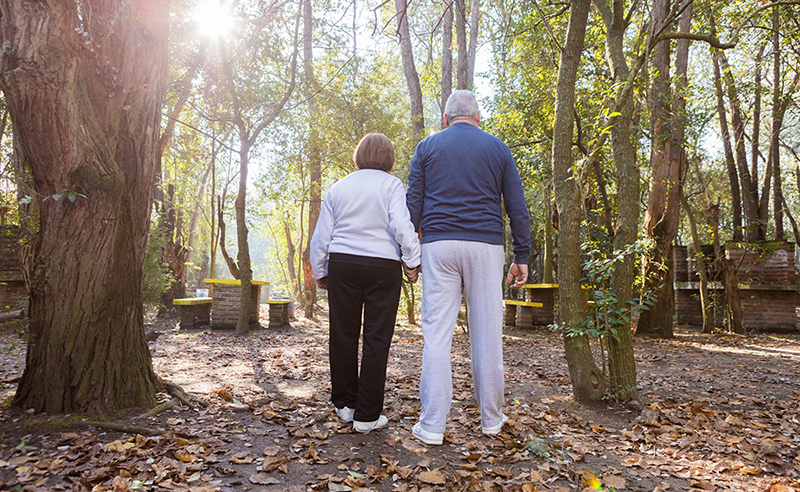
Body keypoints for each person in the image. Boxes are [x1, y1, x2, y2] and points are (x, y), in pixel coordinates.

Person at [406, 90, 531, 445]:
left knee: (437, 335)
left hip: (438, 245)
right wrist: (522, 255)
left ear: (445, 119)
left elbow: (412, 203)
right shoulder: (498, 148)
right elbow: (517, 206)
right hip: (486, 245)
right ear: (478, 117)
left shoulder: (427, 147)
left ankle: (431, 425)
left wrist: (409, 255)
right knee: (488, 333)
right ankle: (491, 419)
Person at [310, 133, 421, 433]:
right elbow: (402, 224)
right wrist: (412, 261)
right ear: (389, 158)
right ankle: (367, 415)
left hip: (343, 264)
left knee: (342, 334)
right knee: (376, 338)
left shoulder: (339, 186)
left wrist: (320, 270)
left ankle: (345, 405)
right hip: (382, 266)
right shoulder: (392, 185)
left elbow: (322, 235)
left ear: (359, 155)